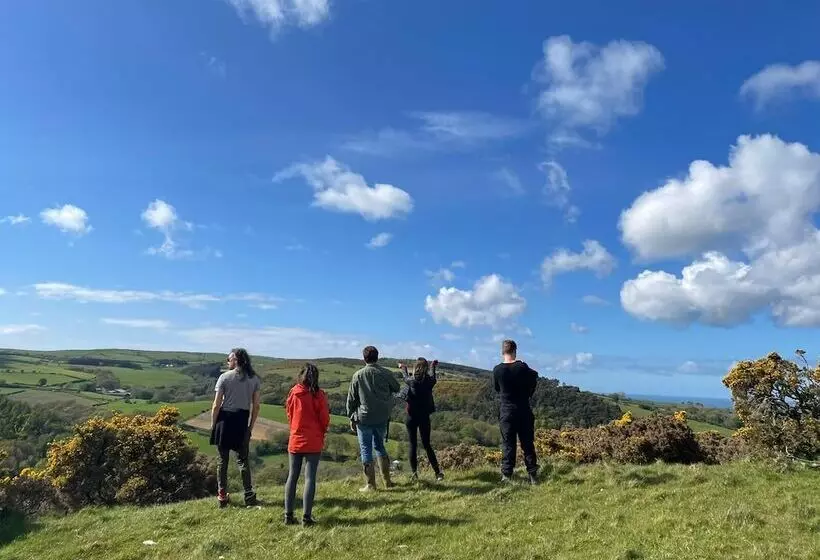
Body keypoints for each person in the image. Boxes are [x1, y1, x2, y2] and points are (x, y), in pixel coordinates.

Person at [210, 348, 262, 508]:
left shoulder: (224, 377)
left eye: (229, 359)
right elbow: (257, 406)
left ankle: (222, 497)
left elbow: (216, 405)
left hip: (224, 420)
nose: (228, 362)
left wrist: (213, 425)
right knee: (243, 461)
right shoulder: (254, 379)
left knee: (222, 461)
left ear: (236, 360)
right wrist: (250, 427)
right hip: (241, 420)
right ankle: (249, 495)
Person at [346, 345, 401, 492]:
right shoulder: (386, 373)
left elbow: (351, 399)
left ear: (364, 358)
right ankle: (387, 482)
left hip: (363, 418)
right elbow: (396, 387)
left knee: (366, 449)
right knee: (380, 447)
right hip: (382, 416)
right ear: (377, 357)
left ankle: (370, 485)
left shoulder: (358, 375)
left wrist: (351, 417)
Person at [284, 363, 330, 527]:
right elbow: (324, 418)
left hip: (296, 438)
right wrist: (323, 430)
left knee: (292, 476)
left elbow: (289, 412)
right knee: (310, 478)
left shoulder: (294, 392)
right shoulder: (319, 395)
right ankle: (306, 518)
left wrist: (294, 427)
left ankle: (288, 516)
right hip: (313, 440)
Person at [493, 339, 539, 485]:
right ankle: (532, 475)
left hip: (506, 410)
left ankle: (507, 475)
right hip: (523, 409)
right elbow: (535, 376)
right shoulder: (522, 367)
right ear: (515, 350)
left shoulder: (497, 370)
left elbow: (497, 388)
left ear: (502, 351)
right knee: (527, 443)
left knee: (508, 444)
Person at [398, 357, 443, 481]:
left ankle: (414, 474)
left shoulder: (411, 381)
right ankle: (438, 473)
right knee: (427, 444)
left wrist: (403, 368)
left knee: (412, 444)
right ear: (425, 368)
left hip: (411, 417)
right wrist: (433, 365)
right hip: (424, 417)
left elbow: (405, 376)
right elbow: (433, 374)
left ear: (416, 368)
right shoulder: (430, 381)